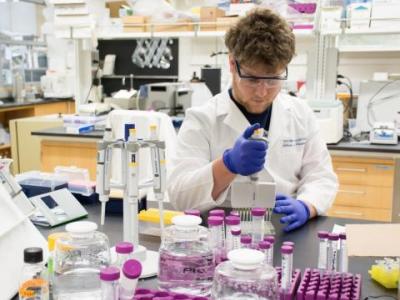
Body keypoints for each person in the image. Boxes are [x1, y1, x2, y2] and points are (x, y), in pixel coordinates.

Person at [167, 8, 338, 232]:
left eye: (273, 79)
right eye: (252, 78)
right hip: (223, 235)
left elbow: (321, 177)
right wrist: (227, 165)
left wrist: (307, 206)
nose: (262, 91)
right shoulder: (202, 119)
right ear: (232, 64)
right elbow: (180, 196)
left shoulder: (300, 114)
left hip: (285, 232)